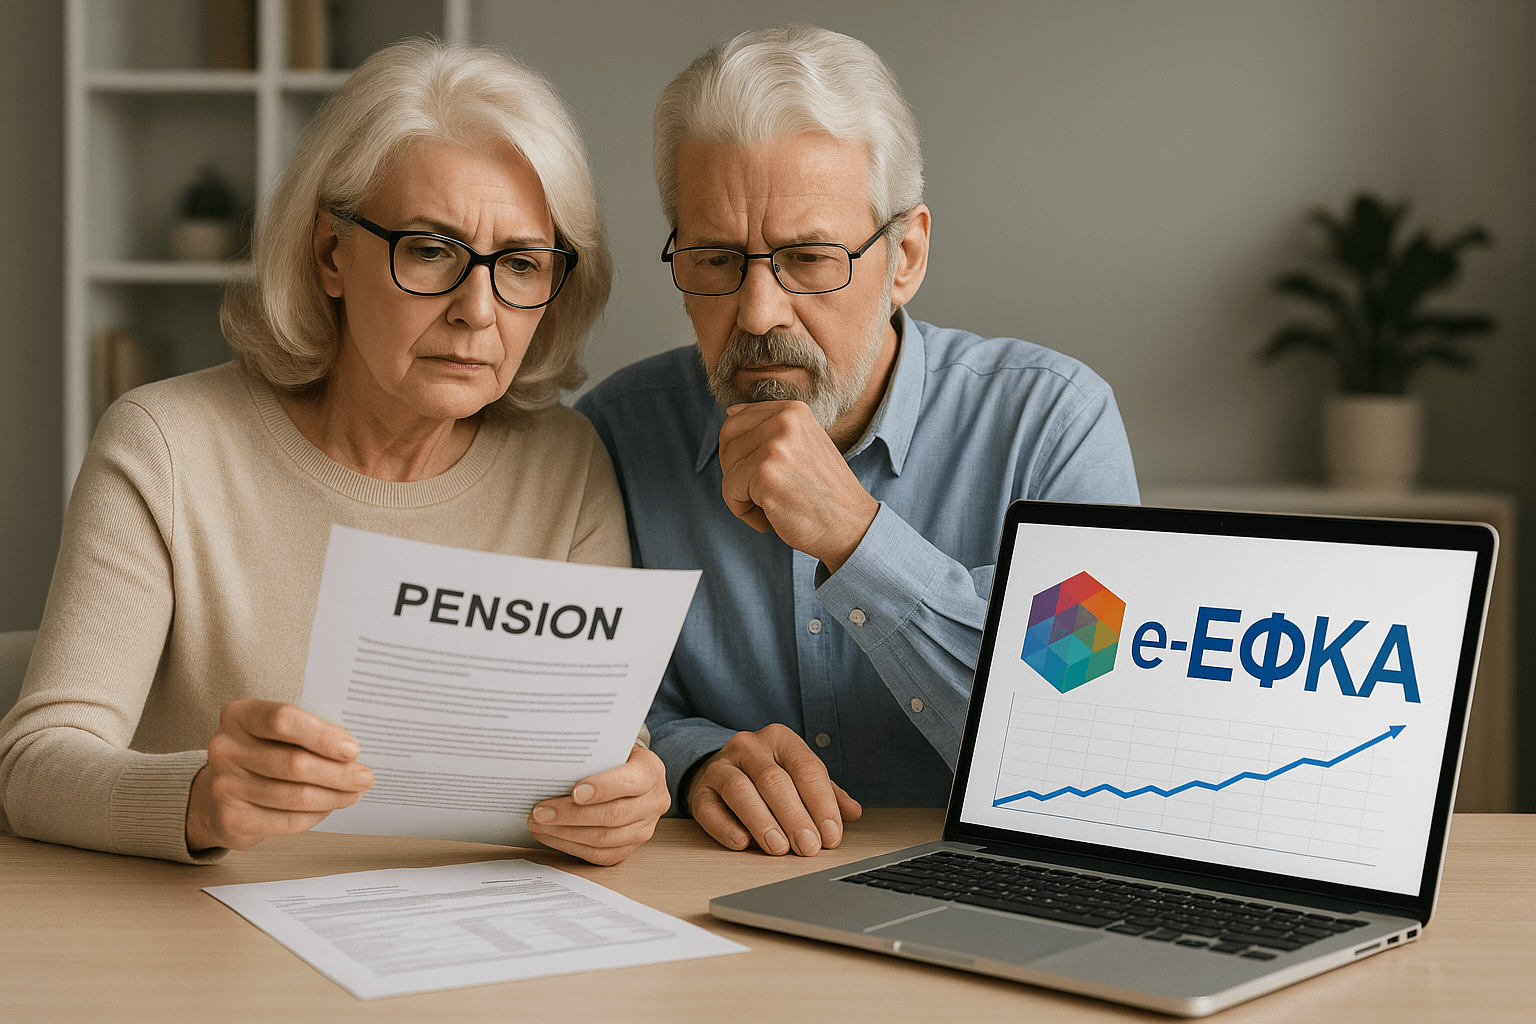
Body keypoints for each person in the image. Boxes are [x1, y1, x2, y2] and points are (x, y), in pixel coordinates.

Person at [0, 40, 667, 866]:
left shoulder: (565, 461)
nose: (477, 309)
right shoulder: (165, 446)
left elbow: (602, 752)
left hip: (459, 951)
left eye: (521, 265)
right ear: (330, 254)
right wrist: (203, 802)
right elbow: (35, 765)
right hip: (202, 950)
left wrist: (622, 797)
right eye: (430, 250)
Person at [577, 25, 1139, 858]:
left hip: (992, 908)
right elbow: (591, 703)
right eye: (716, 259)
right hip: (713, 914)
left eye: (808, 258)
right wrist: (693, 762)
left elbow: (1084, 730)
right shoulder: (613, 438)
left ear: (905, 255)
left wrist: (856, 536)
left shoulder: (1053, 426)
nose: (760, 313)